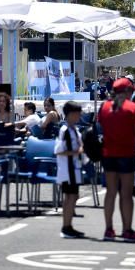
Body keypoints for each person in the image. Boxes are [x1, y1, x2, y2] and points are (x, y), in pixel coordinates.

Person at [98, 77, 135, 242]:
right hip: (127, 154)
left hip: (109, 154)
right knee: (126, 194)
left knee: (110, 192)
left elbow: (101, 127)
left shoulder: (104, 108)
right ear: (127, 92)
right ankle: (127, 229)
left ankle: (108, 229)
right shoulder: (134, 108)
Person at [54, 101, 85, 239]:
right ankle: (66, 226)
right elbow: (59, 151)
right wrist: (77, 152)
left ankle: (69, 225)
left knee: (74, 196)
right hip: (68, 169)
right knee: (70, 197)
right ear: (70, 115)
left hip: (75, 168)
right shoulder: (65, 131)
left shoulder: (74, 130)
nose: (79, 116)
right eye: (77, 114)